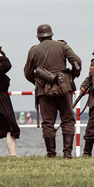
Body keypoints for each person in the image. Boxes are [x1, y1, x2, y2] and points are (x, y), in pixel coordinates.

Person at [24, 24, 81, 159]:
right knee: (67, 120)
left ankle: (51, 154)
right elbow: (77, 61)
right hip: (64, 87)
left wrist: (38, 83)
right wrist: (73, 75)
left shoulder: (33, 50)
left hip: (44, 91)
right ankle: (67, 154)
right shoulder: (62, 46)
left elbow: (27, 73)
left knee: (48, 122)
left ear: (39, 38)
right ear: (51, 35)